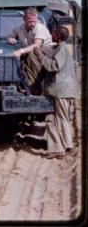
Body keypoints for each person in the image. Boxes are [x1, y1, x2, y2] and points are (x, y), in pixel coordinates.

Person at [34, 27, 78, 159]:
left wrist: (40, 56)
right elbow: (50, 51)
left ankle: (60, 147)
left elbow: (53, 66)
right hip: (59, 91)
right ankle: (65, 145)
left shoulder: (62, 49)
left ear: (59, 35)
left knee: (57, 119)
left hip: (61, 91)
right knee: (55, 119)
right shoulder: (59, 48)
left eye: (53, 32)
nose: (51, 34)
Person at [8, 7, 54, 94]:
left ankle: (36, 86)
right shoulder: (19, 28)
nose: (33, 24)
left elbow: (36, 45)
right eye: (30, 21)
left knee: (31, 55)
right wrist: (11, 39)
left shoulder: (40, 28)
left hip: (45, 52)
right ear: (24, 20)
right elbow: (11, 36)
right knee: (23, 58)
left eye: (34, 21)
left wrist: (21, 51)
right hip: (31, 52)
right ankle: (22, 84)